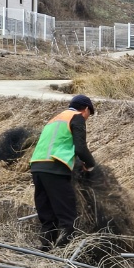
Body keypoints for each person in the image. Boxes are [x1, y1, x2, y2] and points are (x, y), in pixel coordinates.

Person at [29, 94, 97, 251]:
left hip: (37, 166)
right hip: (55, 168)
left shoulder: (55, 119)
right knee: (67, 212)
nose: (87, 118)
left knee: (47, 210)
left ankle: (46, 246)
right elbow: (80, 147)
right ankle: (66, 249)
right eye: (89, 114)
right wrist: (91, 164)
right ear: (86, 109)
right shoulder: (77, 117)